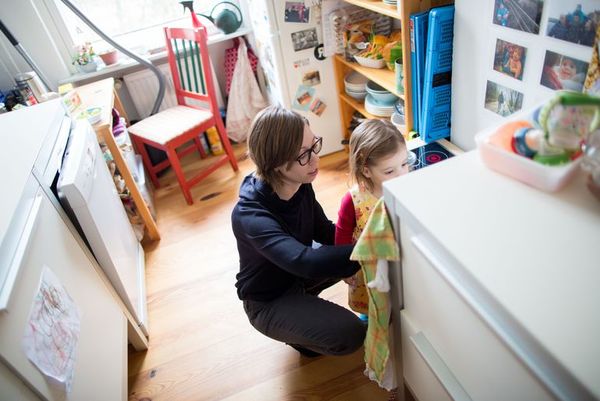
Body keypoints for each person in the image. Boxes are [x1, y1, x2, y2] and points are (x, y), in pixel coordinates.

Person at [231, 106, 366, 357]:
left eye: (314, 145)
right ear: (277, 163)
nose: (315, 158)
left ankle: (303, 310)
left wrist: (358, 240)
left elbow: (324, 231)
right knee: (351, 333)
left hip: (296, 273)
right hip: (268, 299)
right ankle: (296, 330)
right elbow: (305, 261)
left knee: (340, 253)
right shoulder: (249, 216)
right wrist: (368, 249)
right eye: (304, 154)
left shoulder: (300, 182)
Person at [335, 119, 409, 316]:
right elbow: (341, 237)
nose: (401, 174)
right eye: (389, 171)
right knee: (370, 303)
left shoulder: (408, 187)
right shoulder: (353, 200)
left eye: (404, 164)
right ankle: (368, 317)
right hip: (366, 267)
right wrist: (345, 268)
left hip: (398, 262)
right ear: (366, 170)